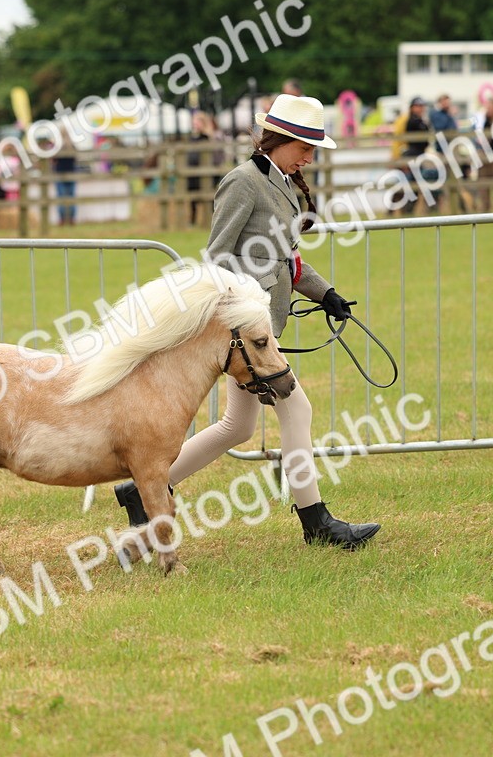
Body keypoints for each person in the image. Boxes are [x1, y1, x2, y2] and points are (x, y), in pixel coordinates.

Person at [113, 93, 381, 550]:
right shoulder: (243, 182)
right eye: (306, 147)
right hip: (243, 332)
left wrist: (326, 292)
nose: (310, 157)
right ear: (282, 139)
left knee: (237, 428)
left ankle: (142, 488)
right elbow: (218, 256)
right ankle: (316, 523)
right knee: (297, 410)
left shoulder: (282, 181)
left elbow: (287, 258)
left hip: (261, 328)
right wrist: (249, 304)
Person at [53, 149, 77, 226]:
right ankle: (69, 219)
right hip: (68, 172)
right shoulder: (72, 144)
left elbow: (53, 159)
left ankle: (64, 219)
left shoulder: (57, 145)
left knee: (63, 198)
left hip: (62, 172)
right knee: (69, 197)